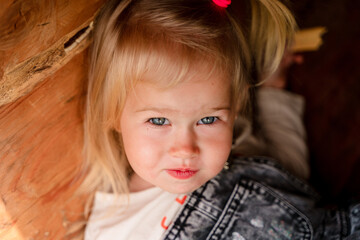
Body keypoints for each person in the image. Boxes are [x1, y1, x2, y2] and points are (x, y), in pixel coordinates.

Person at [80, 0, 360, 239]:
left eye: (208, 120)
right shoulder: (113, 228)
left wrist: (273, 86)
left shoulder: (245, 152)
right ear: (114, 113)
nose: (185, 149)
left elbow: (289, 169)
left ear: (235, 107)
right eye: (159, 121)